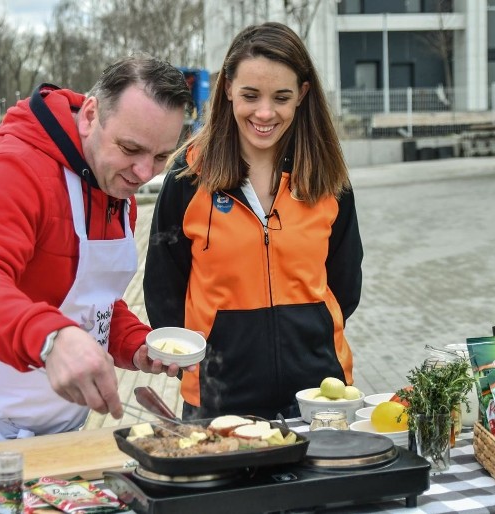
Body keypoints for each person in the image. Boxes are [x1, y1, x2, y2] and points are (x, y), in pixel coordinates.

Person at [0, 54, 194, 458]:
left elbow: (89, 300)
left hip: (56, 432)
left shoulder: (114, 181)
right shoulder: (7, 168)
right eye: (131, 148)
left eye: (161, 157)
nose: (144, 173)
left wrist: (134, 343)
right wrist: (53, 339)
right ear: (90, 115)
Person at [143, 22, 363, 421]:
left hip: (320, 396)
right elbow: (163, 287)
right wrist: (204, 364)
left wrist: (307, 340)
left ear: (302, 95)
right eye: (250, 95)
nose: (265, 112)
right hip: (217, 400)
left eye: (281, 97)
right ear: (227, 89)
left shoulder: (329, 179)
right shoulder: (188, 177)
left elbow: (345, 286)